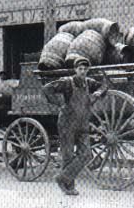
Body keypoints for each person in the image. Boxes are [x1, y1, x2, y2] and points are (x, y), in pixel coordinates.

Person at [42, 58, 107, 196]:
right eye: (80, 69)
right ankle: (69, 187)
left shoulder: (89, 83)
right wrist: (59, 103)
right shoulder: (67, 82)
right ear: (75, 70)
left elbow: (104, 86)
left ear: (87, 70)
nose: (82, 72)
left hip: (82, 124)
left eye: (85, 69)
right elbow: (47, 89)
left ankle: (62, 178)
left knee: (86, 154)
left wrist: (98, 93)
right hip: (67, 124)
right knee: (68, 155)